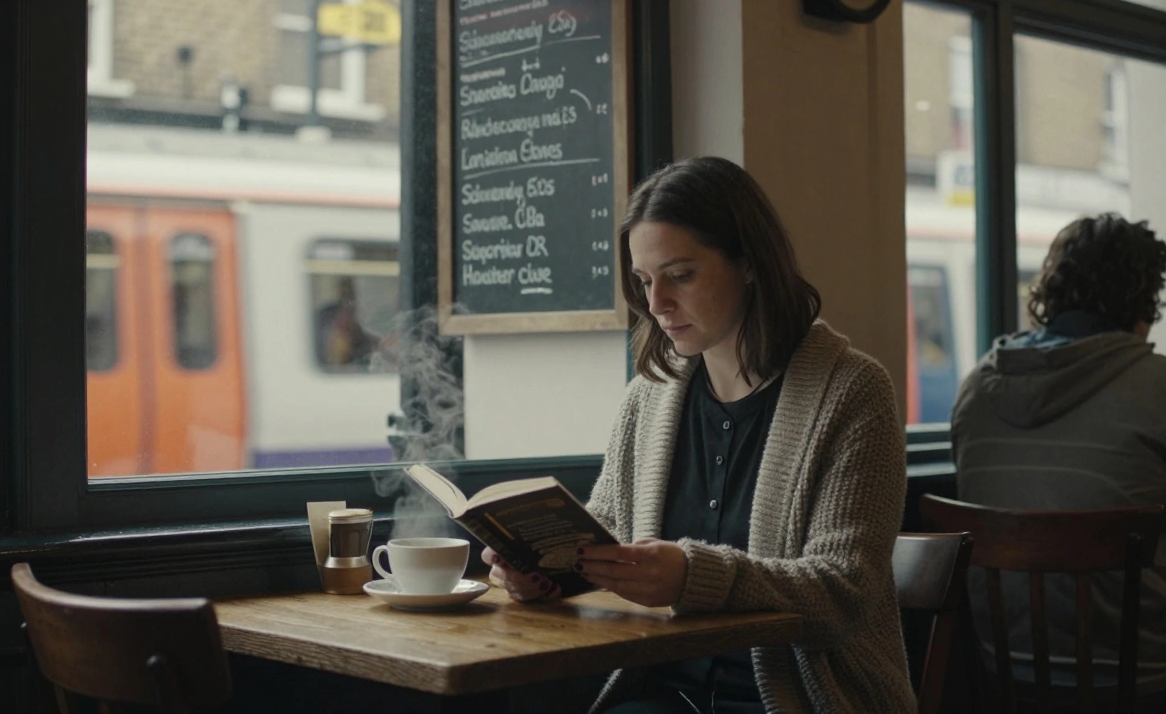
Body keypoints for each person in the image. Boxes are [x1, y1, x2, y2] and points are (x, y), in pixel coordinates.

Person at [484, 157, 915, 713]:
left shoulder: (853, 392)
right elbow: (609, 534)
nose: (656, 304)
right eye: (643, 281)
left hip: (801, 699)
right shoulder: (648, 398)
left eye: (680, 275)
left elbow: (843, 592)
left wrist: (694, 577)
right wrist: (546, 573)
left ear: (750, 263)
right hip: (661, 694)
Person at [951, 213, 1166, 712]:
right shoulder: (1156, 386)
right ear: (1143, 308)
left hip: (1001, 677)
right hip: (1143, 682)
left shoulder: (976, 389)